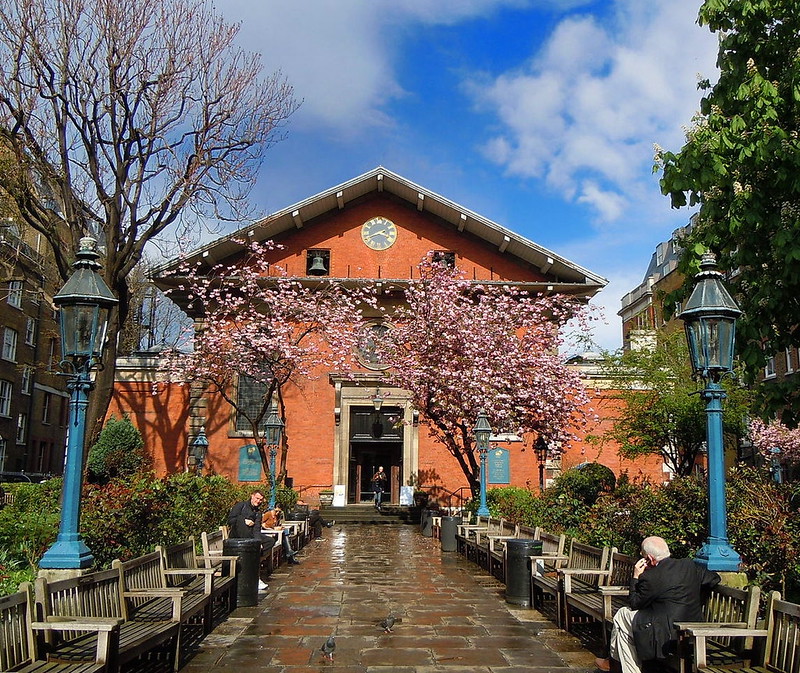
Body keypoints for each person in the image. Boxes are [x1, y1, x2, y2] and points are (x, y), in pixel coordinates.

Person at [595, 536, 721, 673]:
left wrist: (636, 576)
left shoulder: (651, 577)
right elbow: (714, 578)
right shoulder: (689, 565)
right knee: (624, 623)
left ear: (649, 558)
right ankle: (613, 662)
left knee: (622, 616)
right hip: (692, 629)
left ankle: (618, 664)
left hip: (666, 635)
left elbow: (634, 603)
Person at [227, 489, 275, 590]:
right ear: (252, 496)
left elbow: (257, 529)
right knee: (242, 524)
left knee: (269, 541)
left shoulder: (258, 512)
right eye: (257, 498)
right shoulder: (241, 506)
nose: (258, 501)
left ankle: (253, 558)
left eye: (261, 500)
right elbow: (230, 520)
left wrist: (258, 543)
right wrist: (244, 521)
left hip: (251, 537)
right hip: (237, 537)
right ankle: (254, 571)